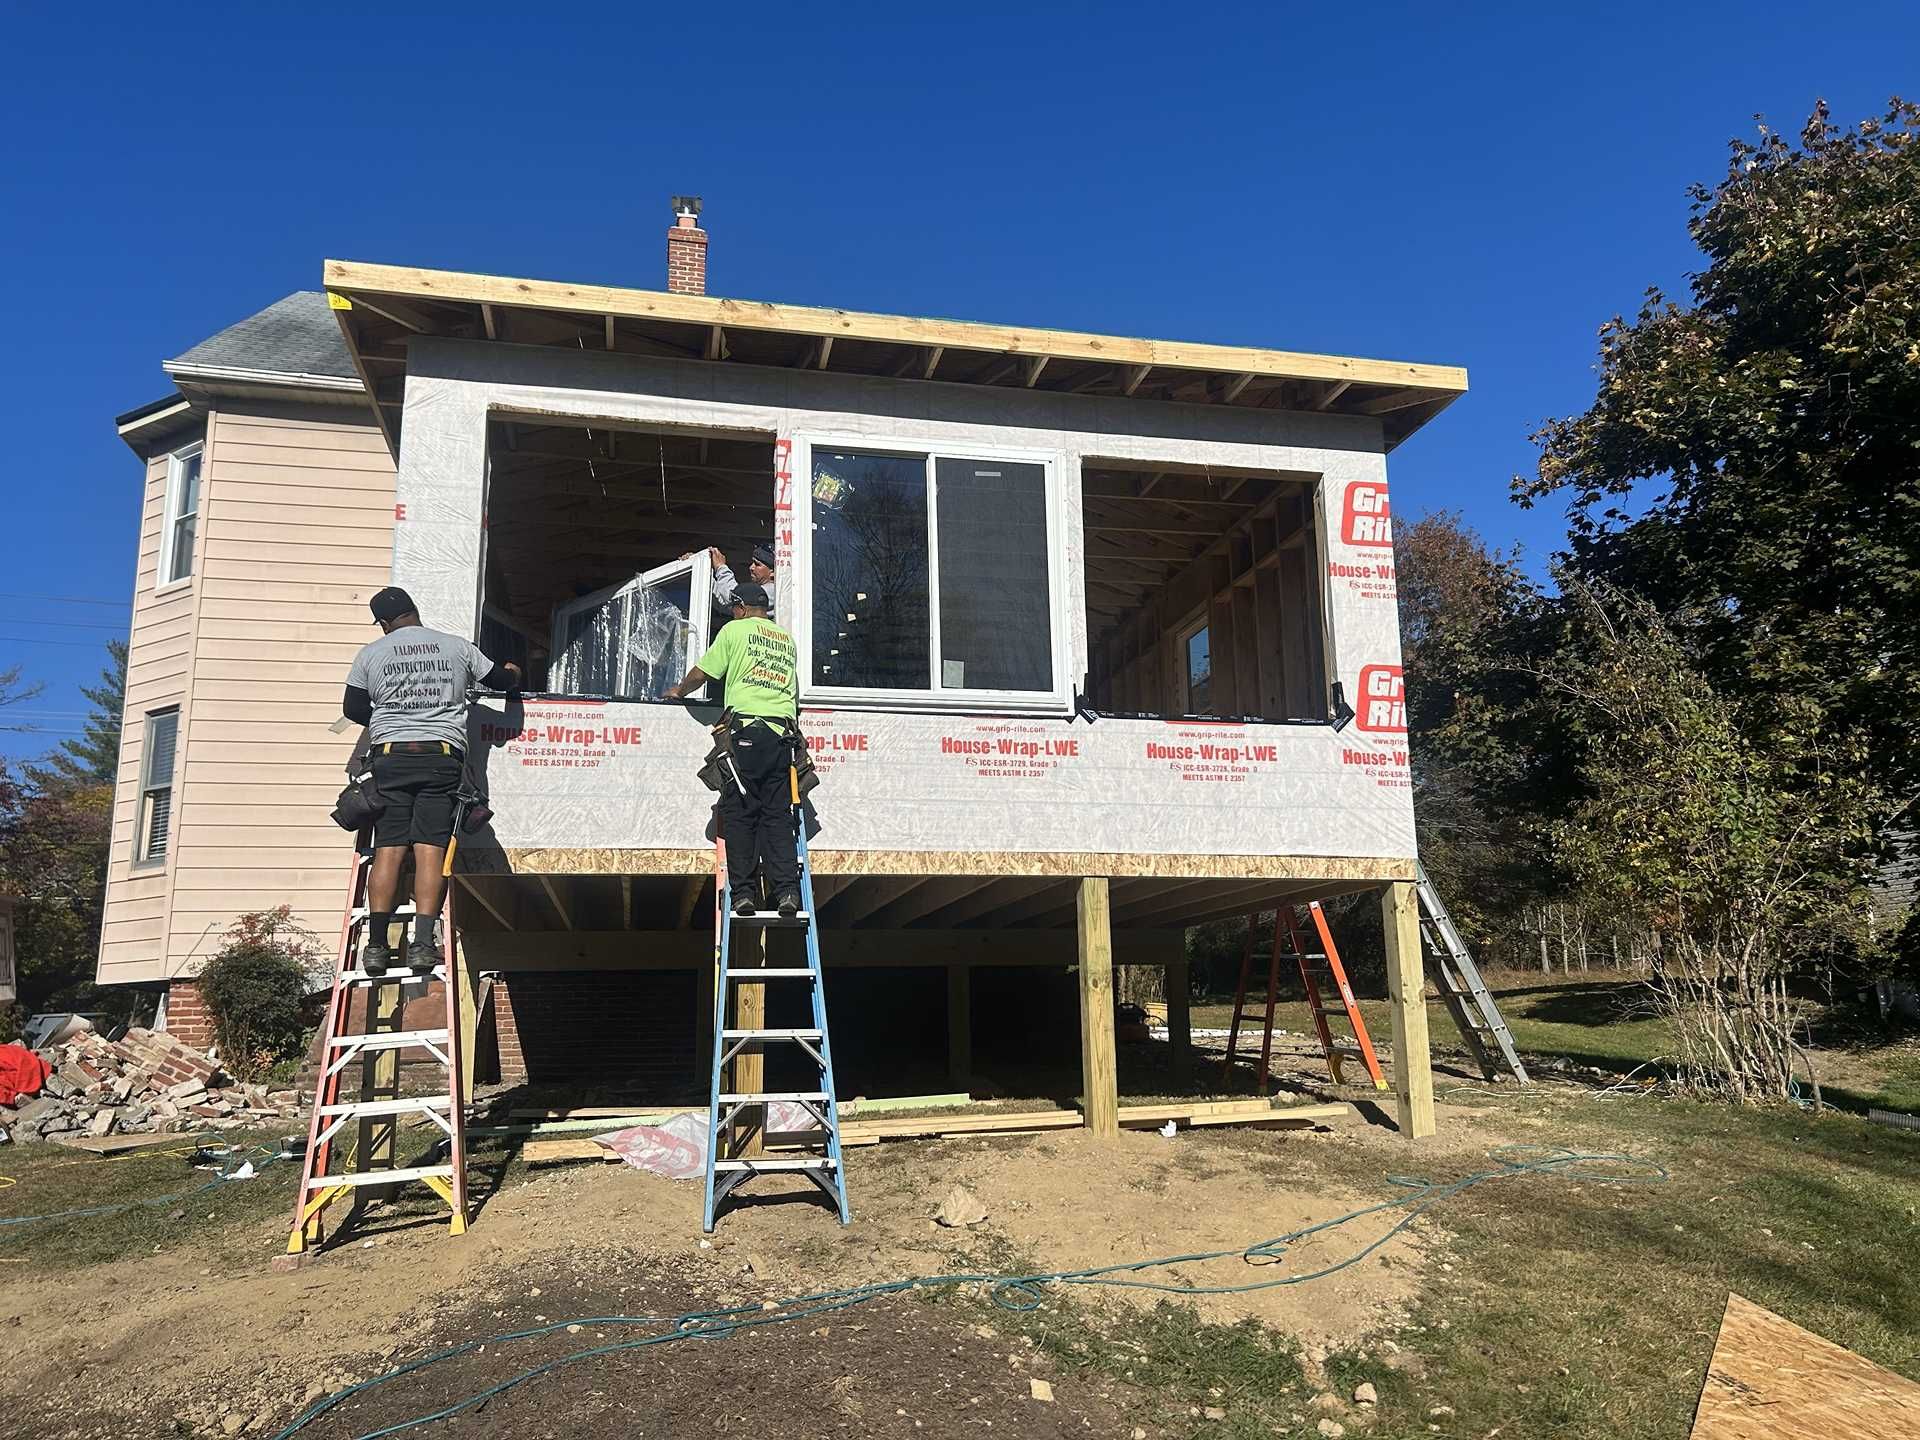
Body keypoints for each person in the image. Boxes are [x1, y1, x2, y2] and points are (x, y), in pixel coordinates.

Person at [343, 587, 520, 976]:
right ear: (415, 612)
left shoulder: (371, 655)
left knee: (388, 850)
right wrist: (515, 673)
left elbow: (353, 708)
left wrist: (391, 715)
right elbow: (500, 681)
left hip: (391, 758)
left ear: (384, 623)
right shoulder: (456, 647)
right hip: (440, 758)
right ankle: (422, 944)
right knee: (429, 852)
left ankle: (375, 947)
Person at [664, 581, 801, 916]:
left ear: (740, 607)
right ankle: (786, 893)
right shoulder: (786, 640)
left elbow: (703, 673)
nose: (731, 613)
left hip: (745, 734)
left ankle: (744, 894)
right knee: (777, 816)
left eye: (732, 608)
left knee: (739, 814)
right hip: (782, 736)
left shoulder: (734, 631)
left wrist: (678, 691)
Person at [708, 543, 776, 621]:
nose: (751, 567)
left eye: (757, 564)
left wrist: (721, 567)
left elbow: (735, 598)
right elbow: (727, 605)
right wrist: (706, 577)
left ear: (773, 572)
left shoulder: (773, 591)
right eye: (752, 563)